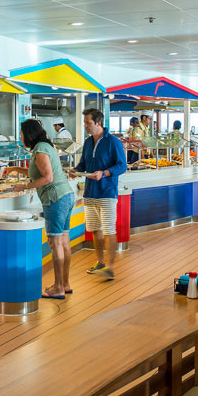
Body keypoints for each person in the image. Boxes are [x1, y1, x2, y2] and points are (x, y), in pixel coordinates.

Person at [2, 120, 75, 299]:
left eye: (21, 134)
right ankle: (65, 284)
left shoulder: (40, 149)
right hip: (65, 195)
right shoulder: (44, 146)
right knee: (64, 242)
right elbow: (37, 172)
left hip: (54, 198)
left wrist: (25, 187)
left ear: (29, 134)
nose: (20, 137)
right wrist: (14, 168)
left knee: (55, 243)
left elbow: (48, 178)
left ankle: (58, 287)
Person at [73, 108, 127, 281]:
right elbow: (83, 164)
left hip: (107, 192)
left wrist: (104, 173)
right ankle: (100, 262)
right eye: (85, 123)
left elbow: (122, 166)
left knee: (109, 229)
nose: (85, 126)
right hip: (90, 192)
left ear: (98, 122)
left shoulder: (113, 141)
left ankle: (110, 267)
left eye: (88, 122)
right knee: (95, 229)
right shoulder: (88, 142)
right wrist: (75, 170)